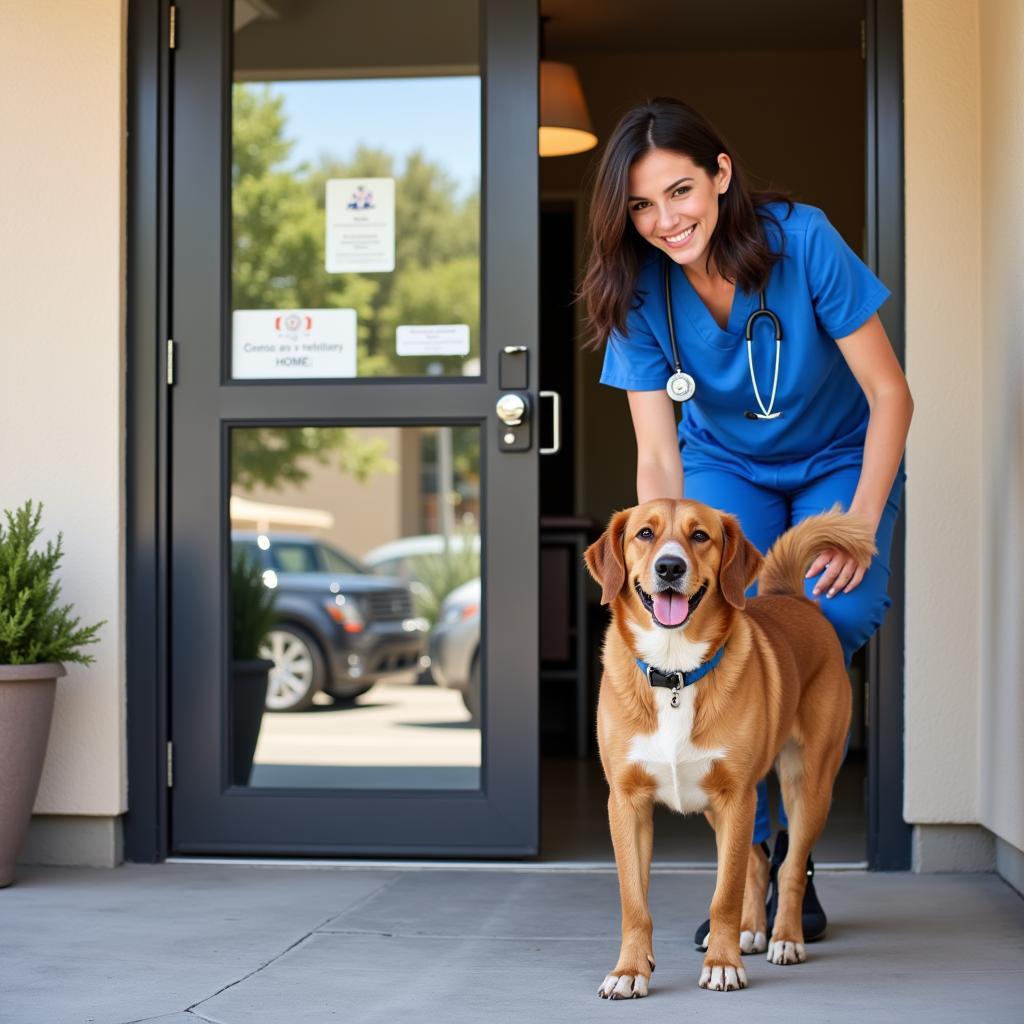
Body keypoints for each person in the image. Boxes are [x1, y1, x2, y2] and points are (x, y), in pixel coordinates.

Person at [580, 97, 913, 946]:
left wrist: (864, 519)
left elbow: (888, 394)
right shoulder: (642, 288)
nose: (665, 221)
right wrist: (666, 543)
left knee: (825, 616)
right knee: (718, 614)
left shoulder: (803, 243)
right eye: (643, 207)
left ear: (722, 175)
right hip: (724, 467)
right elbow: (659, 462)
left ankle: (793, 862)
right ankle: (752, 857)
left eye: (681, 192)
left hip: (840, 452)